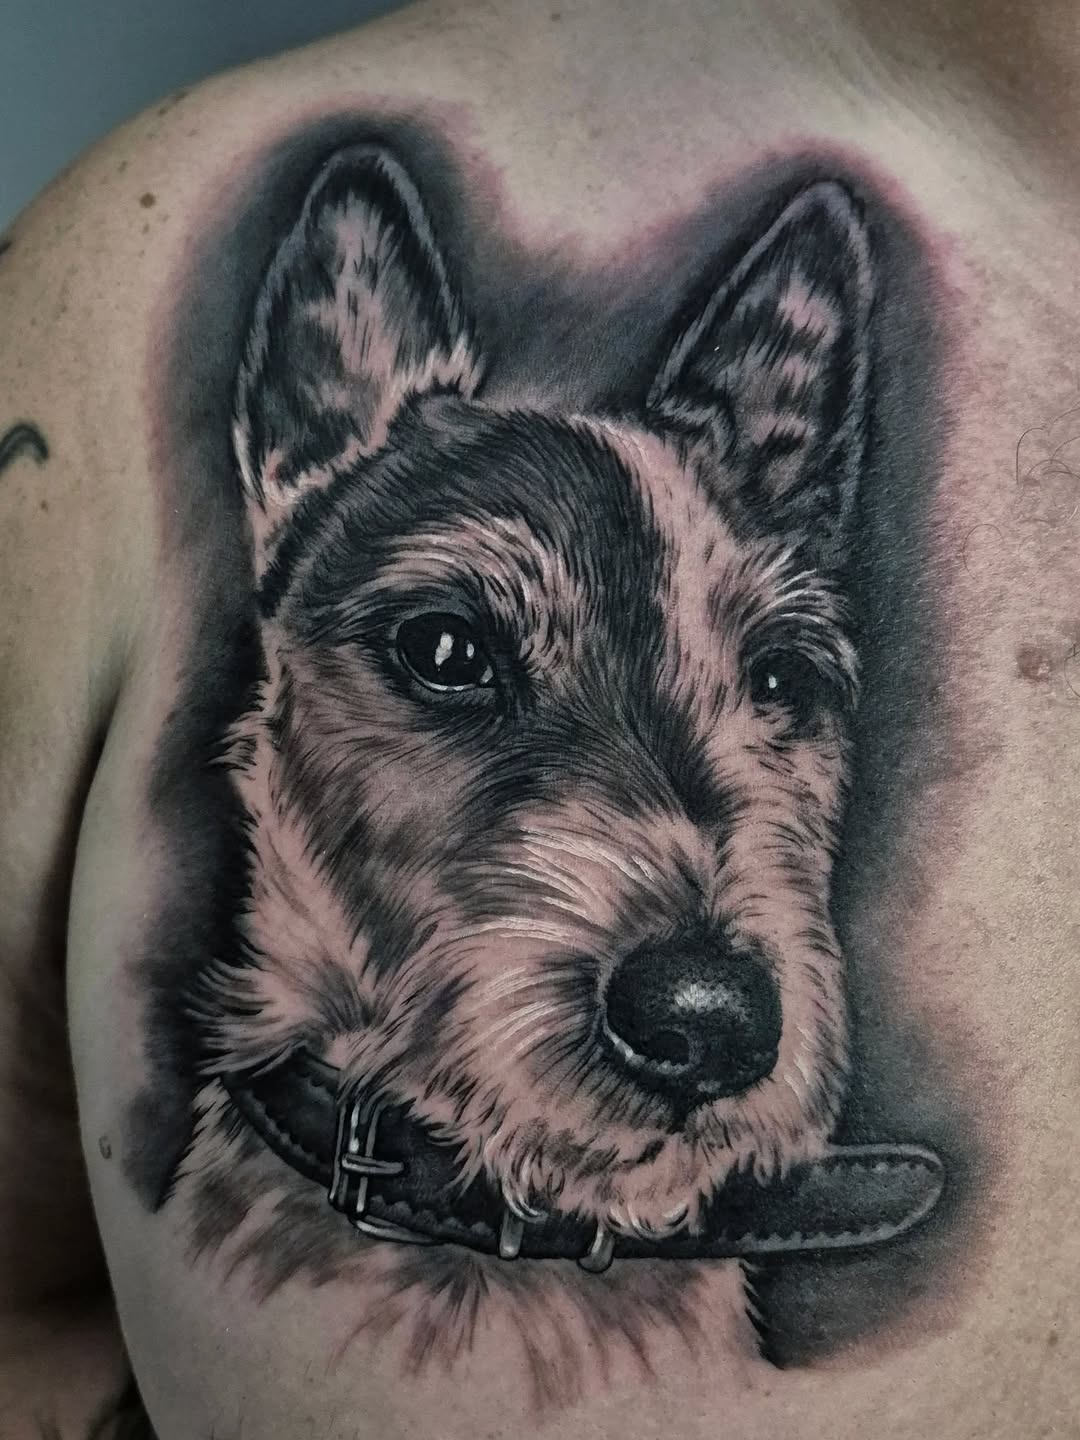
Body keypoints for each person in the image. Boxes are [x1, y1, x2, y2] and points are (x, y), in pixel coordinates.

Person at [1, 1, 1077, 1435]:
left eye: (771, 684)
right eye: (449, 651)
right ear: (297, 450)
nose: (706, 986)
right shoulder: (104, 279)